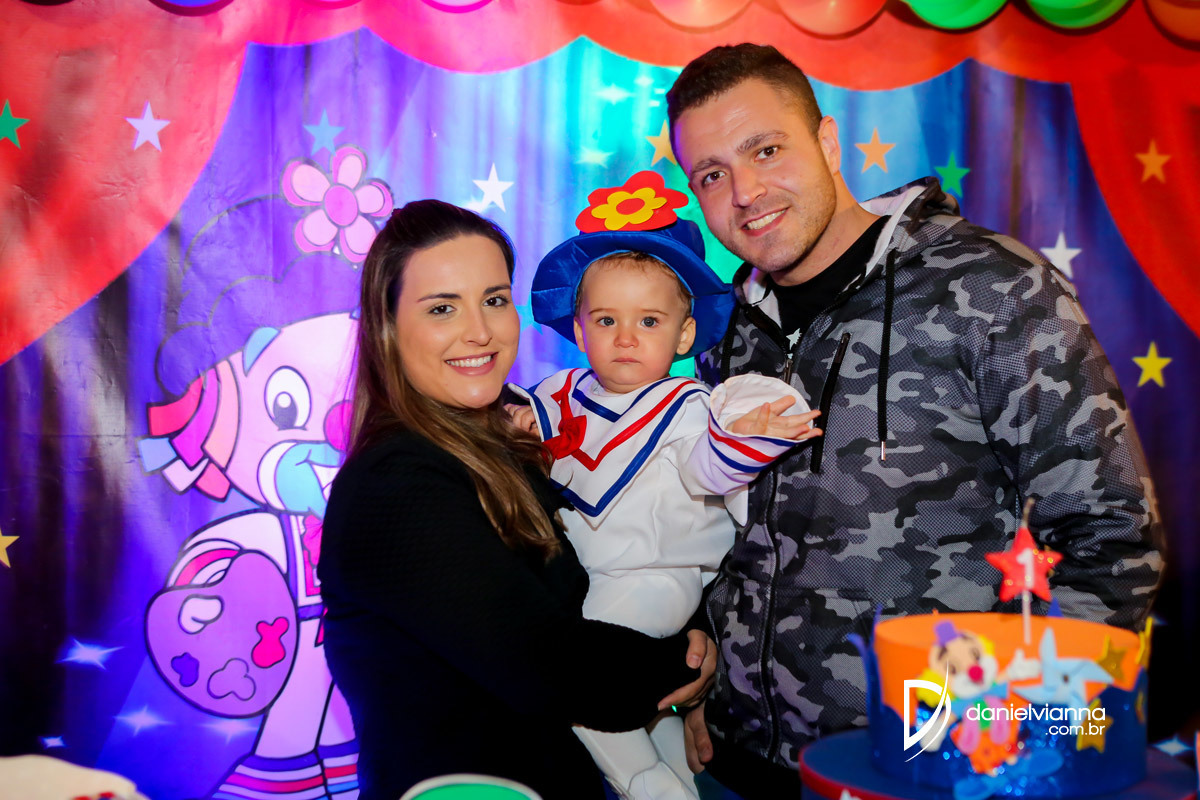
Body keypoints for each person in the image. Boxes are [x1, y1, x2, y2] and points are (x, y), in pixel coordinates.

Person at [663, 44, 1164, 798]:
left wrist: (1018, 740)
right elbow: (700, 522)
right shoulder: (723, 326)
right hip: (733, 766)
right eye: (711, 174)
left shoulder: (994, 288)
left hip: (930, 771)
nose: (745, 191)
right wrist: (695, 666)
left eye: (766, 150)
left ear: (828, 142)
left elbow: (1111, 538)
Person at [317, 199, 718, 800]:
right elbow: (548, 664)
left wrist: (686, 623)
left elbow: (594, 582)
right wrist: (684, 663)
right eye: (442, 308)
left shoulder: (506, 440)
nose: (479, 331)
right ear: (387, 328)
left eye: (494, 299)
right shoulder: (396, 482)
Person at [511, 179, 822, 800]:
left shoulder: (690, 405)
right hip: (583, 582)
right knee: (642, 708)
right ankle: (673, 774)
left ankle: (644, 784)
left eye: (648, 321)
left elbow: (710, 471)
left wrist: (747, 438)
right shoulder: (559, 394)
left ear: (683, 336)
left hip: (656, 581)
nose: (625, 337)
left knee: (580, 684)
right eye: (606, 320)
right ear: (579, 328)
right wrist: (513, 431)